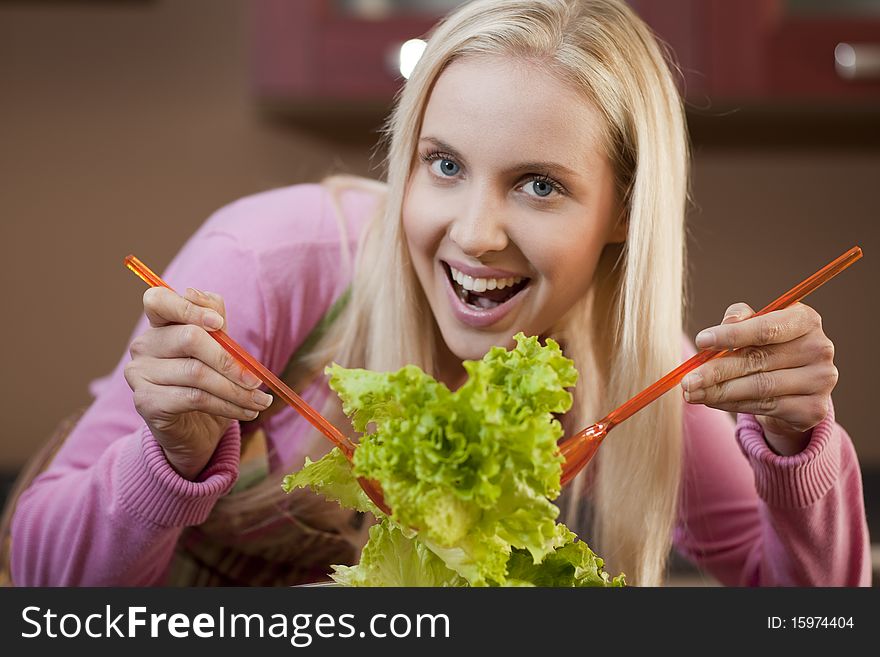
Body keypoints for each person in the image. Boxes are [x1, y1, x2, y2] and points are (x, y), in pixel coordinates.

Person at [9, 0, 870, 587]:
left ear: (623, 214)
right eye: (445, 164)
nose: (475, 233)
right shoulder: (273, 258)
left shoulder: (636, 371)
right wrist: (173, 457)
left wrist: (799, 447)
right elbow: (45, 578)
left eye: (539, 185)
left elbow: (811, 611)